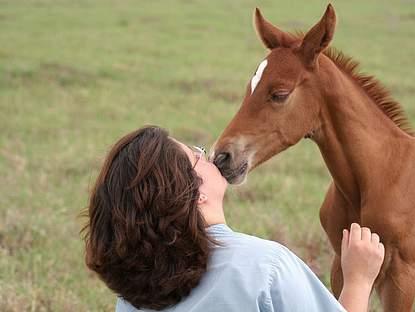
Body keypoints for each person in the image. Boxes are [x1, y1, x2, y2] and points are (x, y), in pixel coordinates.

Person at [82, 125, 385, 312]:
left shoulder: (131, 299)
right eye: (197, 155)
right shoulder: (265, 267)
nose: (208, 155)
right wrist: (359, 279)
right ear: (196, 191)